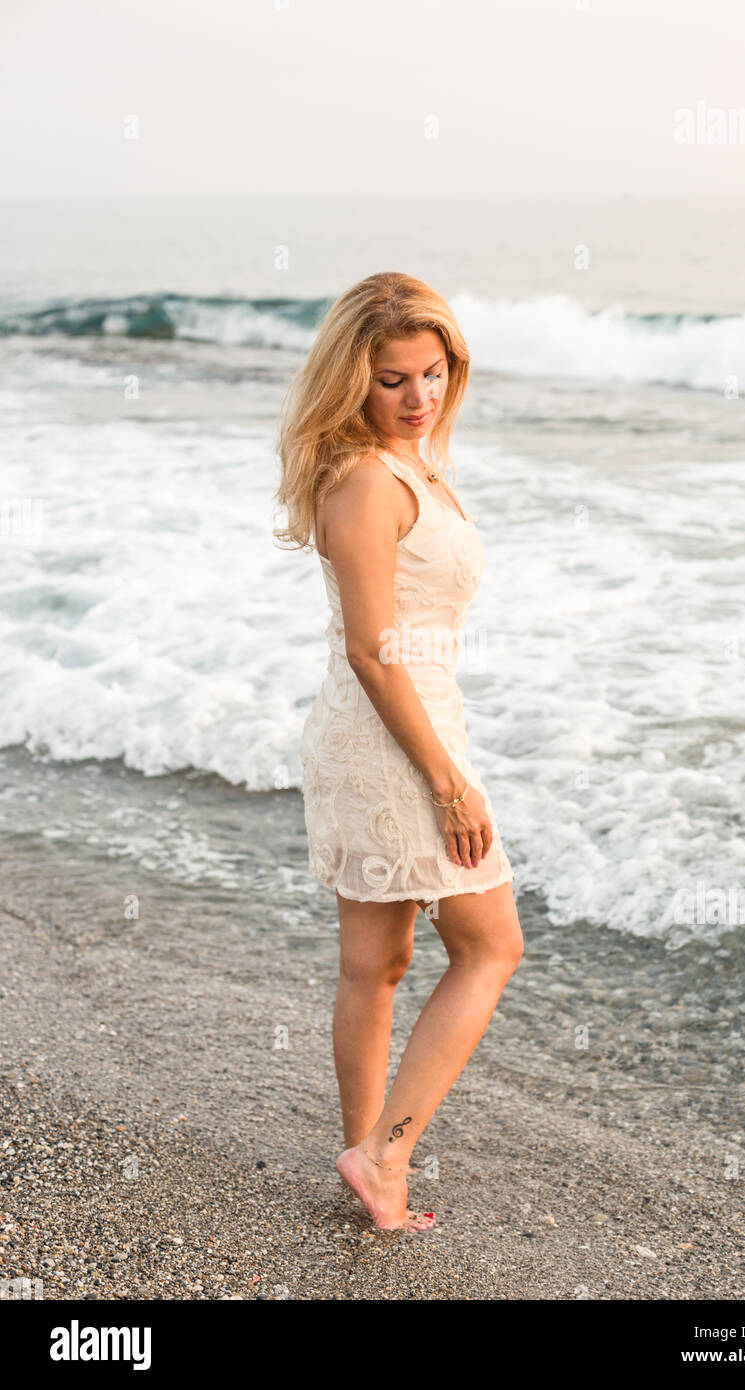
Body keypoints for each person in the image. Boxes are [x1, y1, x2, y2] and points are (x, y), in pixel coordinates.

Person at [274, 271, 523, 1231]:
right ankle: (385, 1155)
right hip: (392, 735)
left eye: (433, 371)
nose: (418, 397)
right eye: (391, 379)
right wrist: (449, 782)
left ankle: (370, 1163)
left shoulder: (404, 463)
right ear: (351, 380)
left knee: (374, 963)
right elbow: (374, 651)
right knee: (490, 945)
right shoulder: (369, 479)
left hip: (395, 721)